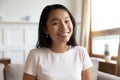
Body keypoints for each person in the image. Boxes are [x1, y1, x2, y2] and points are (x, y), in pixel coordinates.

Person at [23, 4, 93, 80]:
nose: (64, 27)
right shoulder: (35, 55)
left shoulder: (81, 52)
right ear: (45, 29)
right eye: (55, 23)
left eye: (66, 21)